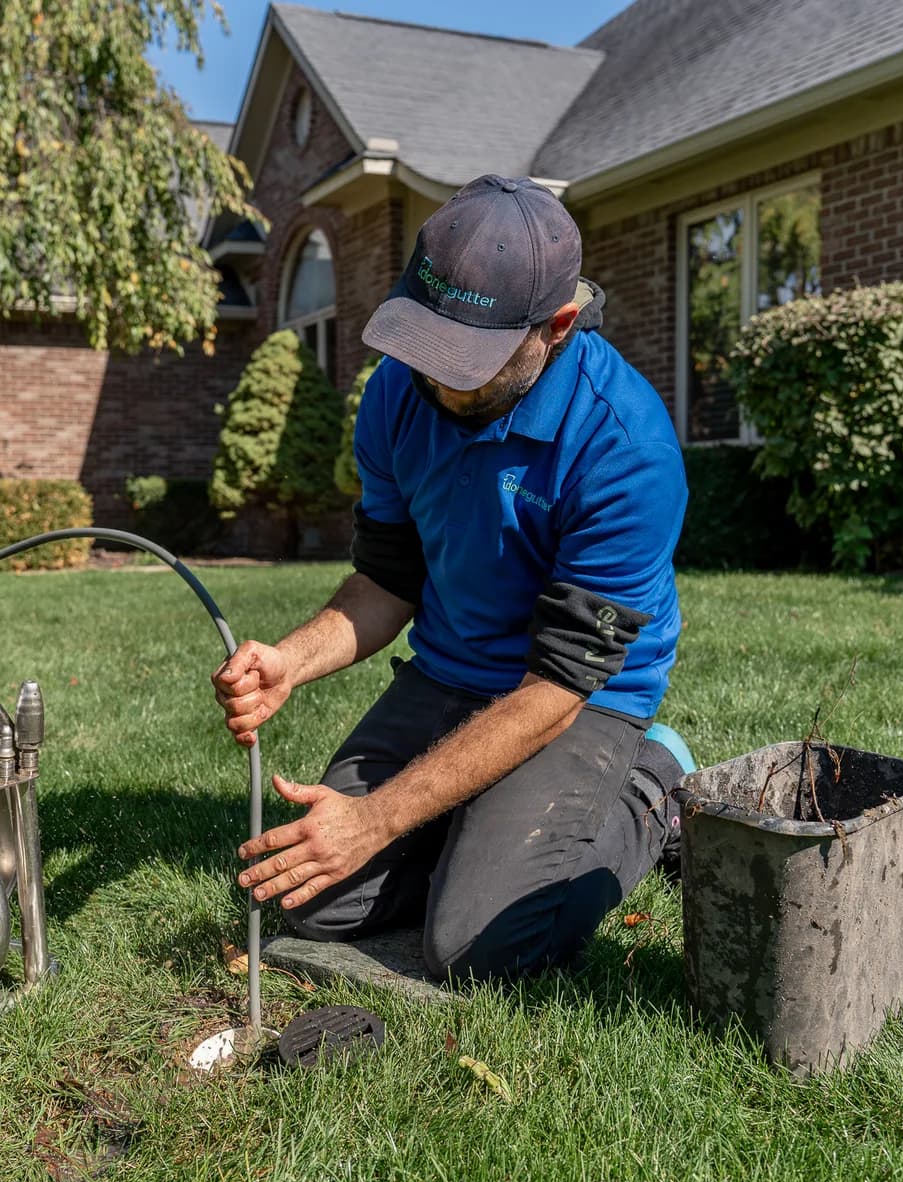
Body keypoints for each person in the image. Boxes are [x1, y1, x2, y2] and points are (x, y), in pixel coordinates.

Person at [212, 175, 688, 982]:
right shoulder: (397, 393)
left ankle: (655, 786)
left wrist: (377, 821)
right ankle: (476, 819)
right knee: (310, 901)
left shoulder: (626, 450)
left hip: (579, 701)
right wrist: (293, 660)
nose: (433, 378)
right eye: (424, 344)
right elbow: (386, 583)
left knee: (479, 947)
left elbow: (555, 691)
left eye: (463, 360)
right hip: (446, 672)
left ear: (557, 327)